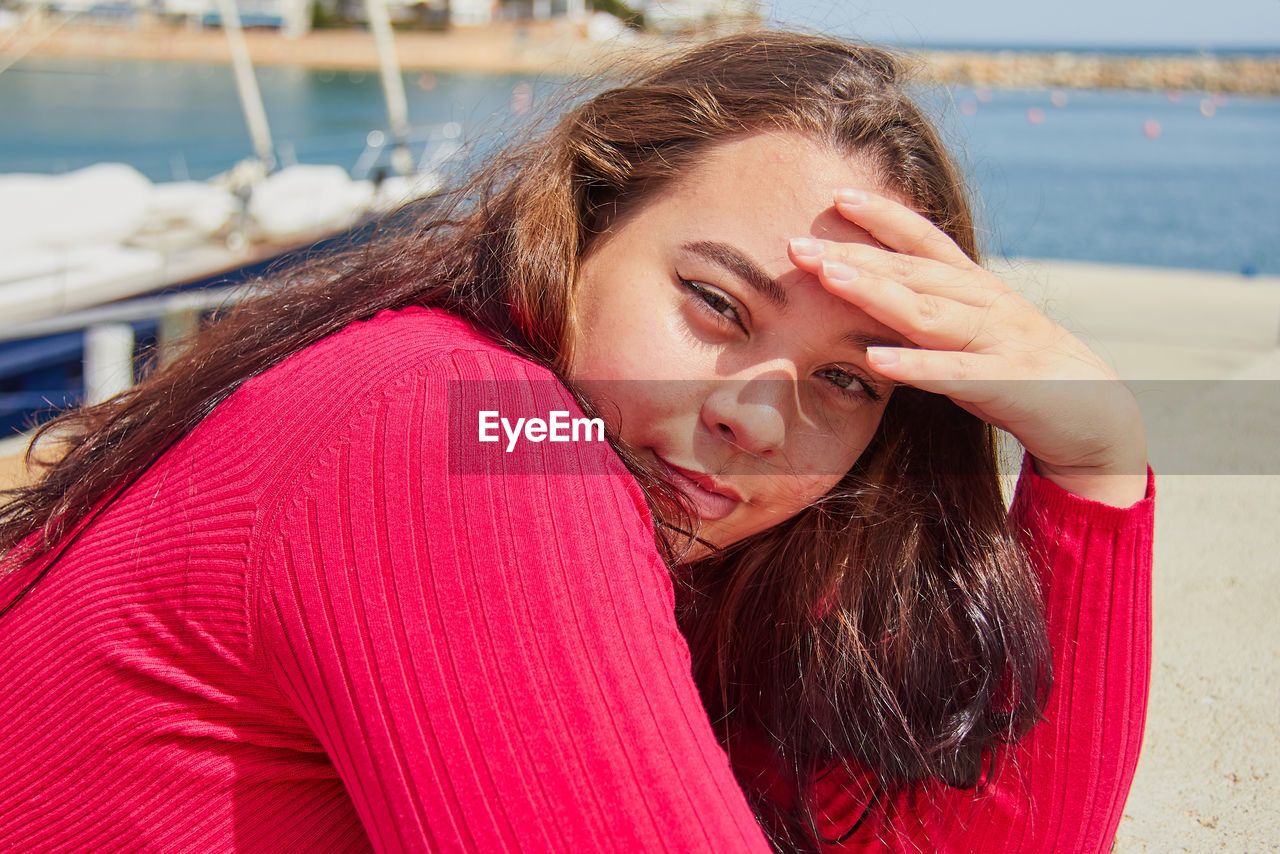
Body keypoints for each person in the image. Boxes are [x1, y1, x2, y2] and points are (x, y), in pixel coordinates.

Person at [0, 31, 1153, 853]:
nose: (754, 414)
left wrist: (1094, 467)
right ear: (585, 225)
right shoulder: (463, 428)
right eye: (713, 303)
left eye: (845, 377)